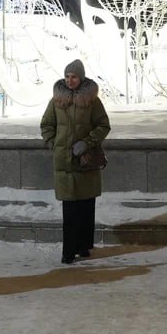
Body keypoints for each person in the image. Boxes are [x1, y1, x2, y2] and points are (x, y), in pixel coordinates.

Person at [40, 59, 111, 264]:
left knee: (86, 206)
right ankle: (68, 252)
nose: (70, 81)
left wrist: (87, 142)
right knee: (70, 209)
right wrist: (54, 143)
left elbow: (103, 125)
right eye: (67, 77)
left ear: (81, 78)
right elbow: (46, 124)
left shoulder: (92, 100)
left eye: (74, 77)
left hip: (85, 160)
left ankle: (83, 246)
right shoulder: (56, 101)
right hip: (64, 162)